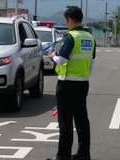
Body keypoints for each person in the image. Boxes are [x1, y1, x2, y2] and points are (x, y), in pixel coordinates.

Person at [46, 6, 96, 160]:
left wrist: (53, 56)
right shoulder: (90, 38)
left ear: (70, 20)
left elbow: (61, 59)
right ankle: (83, 154)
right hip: (83, 83)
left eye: (66, 21)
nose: (66, 23)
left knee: (65, 121)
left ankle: (63, 155)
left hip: (67, 83)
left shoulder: (70, 37)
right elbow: (91, 61)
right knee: (82, 119)